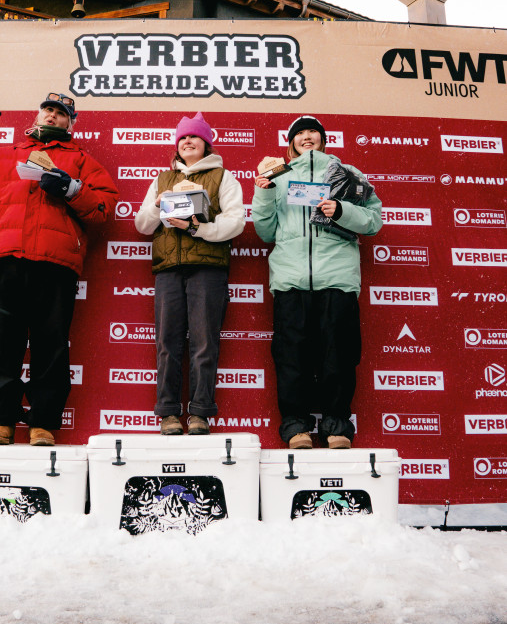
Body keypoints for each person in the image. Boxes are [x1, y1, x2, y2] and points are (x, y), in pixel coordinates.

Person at [0, 92, 118, 445]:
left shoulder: (83, 161)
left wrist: (71, 189)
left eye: (61, 114)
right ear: (37, 115)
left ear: (71, 123)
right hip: (5, 257)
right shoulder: (5, 155)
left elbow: (104, 207)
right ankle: (2, 421)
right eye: (48, 110)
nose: (53, 117)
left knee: (51, 345)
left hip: (56, 262)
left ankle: (43, 422)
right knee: (0, 344)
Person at [252, 115, 382, 450]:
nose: (307, 137)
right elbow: (266, 232)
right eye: (300, 133)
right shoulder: (278, 175)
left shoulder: (347, 173)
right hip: (290, 277)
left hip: (337, 275)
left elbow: (373, 221)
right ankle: (297, 427)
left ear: (323, 139)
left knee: (337, 355)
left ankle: (336, 425)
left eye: (313, 132)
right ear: (291, 141)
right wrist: (264, 193)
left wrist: (340, 210)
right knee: (291, 357)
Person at [135, 113, 244, 435]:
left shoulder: (224, 176)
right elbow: (143, 225)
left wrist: (199, 227)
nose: (187, 142)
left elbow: (236, 222)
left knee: (204, 343)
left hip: (208, 269)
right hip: (168, 270)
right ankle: (168, 413)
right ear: (177, 146)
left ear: (206, 143)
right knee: (167, 343)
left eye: (194, 137)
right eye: (182, 138)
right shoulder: (162, 178)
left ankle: (199, 413)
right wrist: (157, 205)